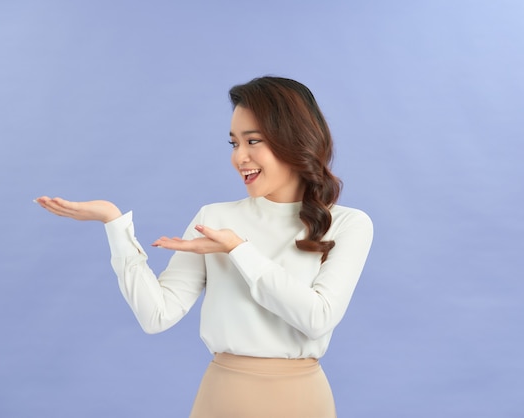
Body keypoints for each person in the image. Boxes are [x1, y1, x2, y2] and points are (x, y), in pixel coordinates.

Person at [35, 76, 373, 417]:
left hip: (301, 401)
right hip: (222, 398)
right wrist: (115, 225)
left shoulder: (349, 224)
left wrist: (238, 249)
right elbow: (156, 316)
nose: (239, 157)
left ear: (294, 141)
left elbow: (317, 318)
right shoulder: (215, 217)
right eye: (233, 144)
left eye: (253, 141)